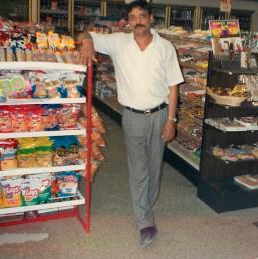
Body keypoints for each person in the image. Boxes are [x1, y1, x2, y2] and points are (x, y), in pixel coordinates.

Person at [78, 0, 184, 248]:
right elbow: (84, 32)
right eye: (133, 17)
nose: (137, 21)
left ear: (150, 19)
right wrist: (87, 41)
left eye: (142, 16)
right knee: (138, 170)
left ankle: (145, 204)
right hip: (132, 117)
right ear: (128, 21)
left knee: (154, 169)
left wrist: (171, 120)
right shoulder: (119, 42)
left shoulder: (166, 47)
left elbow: (173, 87)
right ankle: (145, 220)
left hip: (159, 115)